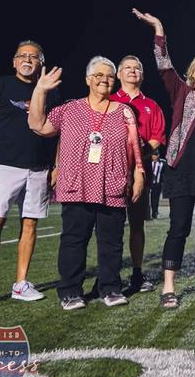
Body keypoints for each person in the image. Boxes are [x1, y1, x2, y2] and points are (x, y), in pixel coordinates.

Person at [132, 8, 195, 308]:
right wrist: (159, 28)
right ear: (192, 71)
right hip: (182, 173)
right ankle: (169, 287)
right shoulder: (181, 92)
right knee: (178, 229)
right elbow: (163, 64)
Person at [28, 57, 145, 310]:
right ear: (88, 80)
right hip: (76, 186)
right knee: (73, 240)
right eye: (99, 75)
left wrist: (139, 174)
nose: (105, 80)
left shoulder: (124, 111)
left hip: (112, 186)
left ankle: (110, 288)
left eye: (110, 76)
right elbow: (37, 125)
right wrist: (40, 90)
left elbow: (135, 147)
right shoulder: (69, 109)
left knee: (112, 242)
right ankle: (70, 291)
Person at [0, 40, 60, 308]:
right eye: (23, 55)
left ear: (40, 62)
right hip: (4, 166)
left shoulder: (48, 90)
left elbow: (58, 134)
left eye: (34, 56)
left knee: (30, 223)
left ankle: (21, 283)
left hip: (38, 168)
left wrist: (55, 166)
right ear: (14, 61)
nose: (28, 60)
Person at [110, 55, 166, 293]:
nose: (133, 71)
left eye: (137, 68)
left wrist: (139, 150)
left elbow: (157, 137)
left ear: (142, 75)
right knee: (109, 225)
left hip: (140, 171)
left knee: (136, 224)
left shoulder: (151, 105)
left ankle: (136, 273)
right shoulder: (109, 100)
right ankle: (109, 275)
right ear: (119, 74)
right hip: (111, 170)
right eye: (128, 68)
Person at [150, 152, 166, 219]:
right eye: (153, 155)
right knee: (148, 199)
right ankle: (146, 213)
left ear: (158, 155)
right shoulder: (149, 162)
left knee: (155, 199)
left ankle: (155, 212)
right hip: (149, 184)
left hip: (157, 184)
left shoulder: (162, 163)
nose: (153, 157)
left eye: (155, 155)